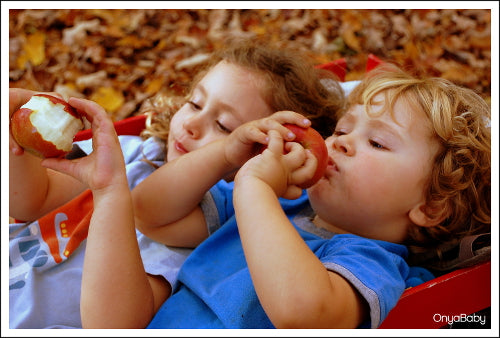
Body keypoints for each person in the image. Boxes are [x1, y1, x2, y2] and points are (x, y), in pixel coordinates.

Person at [84, 63, 489, 328]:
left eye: (378, 144)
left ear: (431, 206)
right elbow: (151, 213)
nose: (342, 143)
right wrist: (226, 155)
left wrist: (254, 190)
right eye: (343, 130)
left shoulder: (370, 263)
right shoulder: (287, 200)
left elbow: (304, 314)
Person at [8, 39, 346, 328]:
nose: (192, 124)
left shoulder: (197, 236)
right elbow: (33, 201)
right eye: (195, 103)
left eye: (226, 127)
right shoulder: (136, 155)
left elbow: (115, 323)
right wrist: (14, 137)